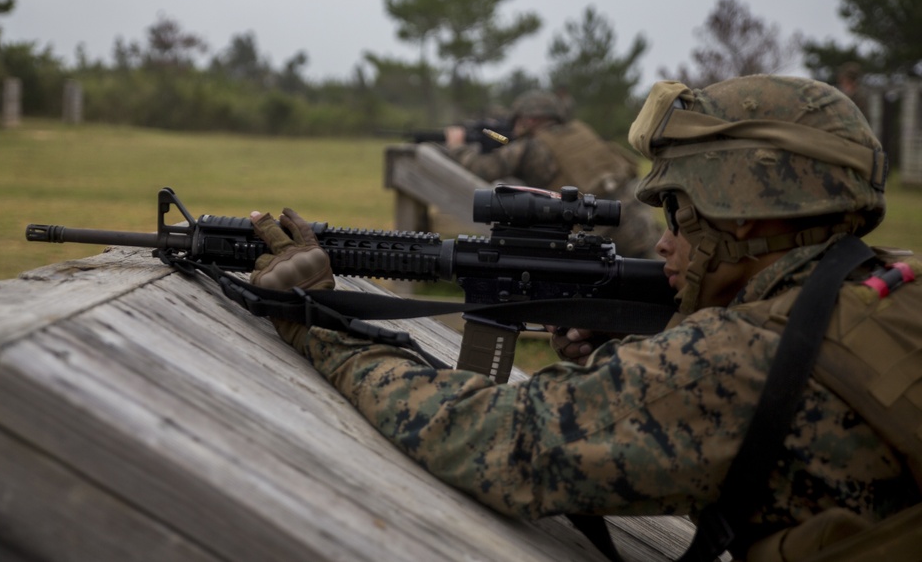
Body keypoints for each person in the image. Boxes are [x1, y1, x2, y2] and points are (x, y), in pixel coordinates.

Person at [248, 75, 921, 561]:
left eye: (680, 213)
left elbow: (503, 438)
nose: (664, 241)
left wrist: (325, 326)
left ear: (746, 213)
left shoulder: (734, 358)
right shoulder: (893, 287)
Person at [443, 89, 663, 259]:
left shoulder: (532, 146)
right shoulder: (581, 131)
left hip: (601, 233)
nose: (515, 128)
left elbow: (483, 168)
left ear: (529, 120)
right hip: (640, 222)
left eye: (518, 122)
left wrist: (457, 146)